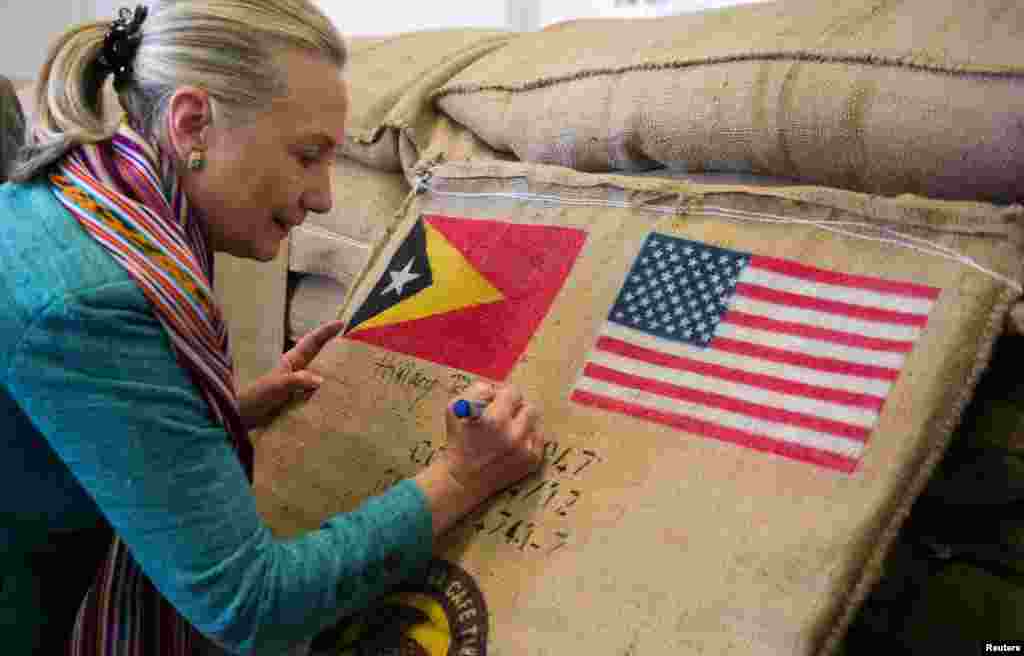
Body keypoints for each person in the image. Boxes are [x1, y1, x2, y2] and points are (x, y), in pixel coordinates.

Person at [0, 2, 544, 654]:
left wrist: (216, 410)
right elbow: (251, 606)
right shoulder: (94, 300)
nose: (324, 197)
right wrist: (459, 478)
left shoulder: (70, 206)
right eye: (307, 155)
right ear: (193, 123)